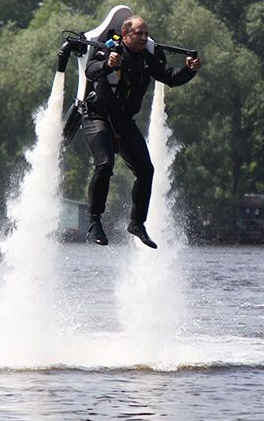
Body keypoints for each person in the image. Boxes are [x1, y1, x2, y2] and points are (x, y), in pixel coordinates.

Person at [81, 15, 202, 248]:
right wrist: (108, 64)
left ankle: (137, 223)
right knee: (105, 164)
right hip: (98, 116)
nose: (144, 37)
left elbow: (170, 78)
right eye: (139, 33)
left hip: (125, 122)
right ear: (125, 35)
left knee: (146, 171)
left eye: (146, 34)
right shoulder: (111, 50)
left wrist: (189, 69)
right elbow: (90, 70)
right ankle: (94, 220)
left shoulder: (147, 58)